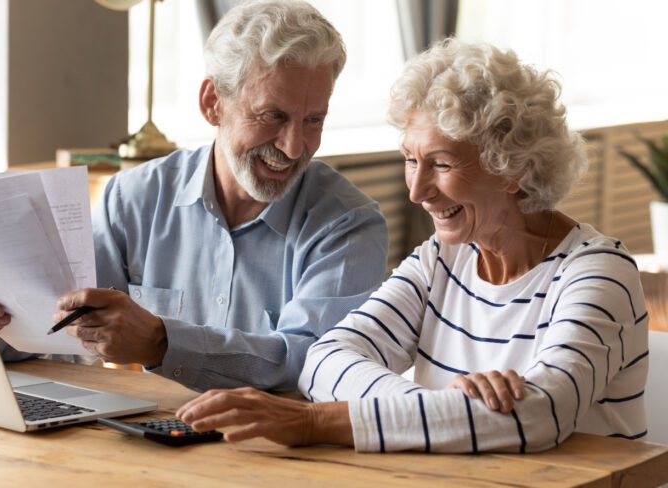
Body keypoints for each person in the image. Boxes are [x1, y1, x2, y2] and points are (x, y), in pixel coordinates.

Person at [175, 38, 649, 452]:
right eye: (409, 160)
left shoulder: (598, 272)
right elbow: (324, 362)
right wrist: (449, 411)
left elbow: (539, 416)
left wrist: (315, 421)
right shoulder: (440, 261)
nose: (416, 191)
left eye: (441, 164)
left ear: (514, 169)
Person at [0, 0, 388, 392]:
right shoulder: (133, 198)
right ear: (213, 104)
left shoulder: (349, 225)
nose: (295, 147)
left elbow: (311, 363)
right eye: (273, 116)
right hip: (144, 438)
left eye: (313, 120)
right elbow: (63, 331)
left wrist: (162, 341)